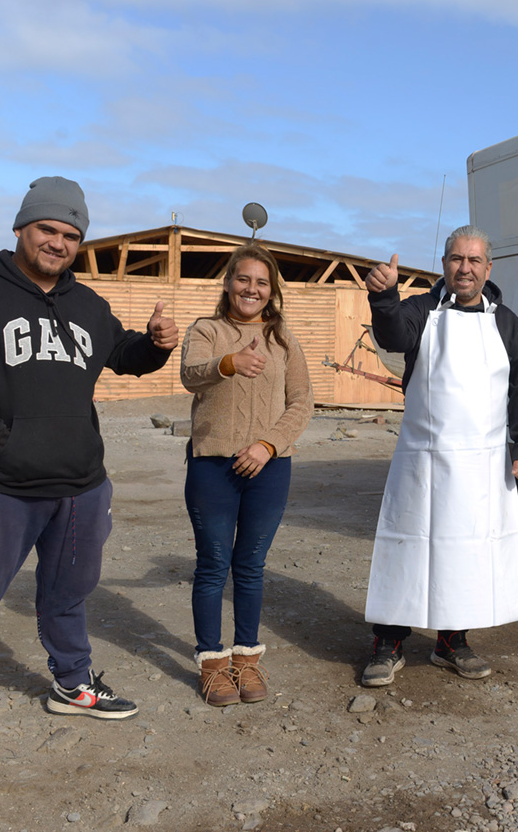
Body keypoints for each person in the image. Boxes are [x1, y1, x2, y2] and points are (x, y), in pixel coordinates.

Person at [0, 177, 179, 774]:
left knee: (68, 595)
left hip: (80, 487)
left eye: (70, 235)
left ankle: (72, 684)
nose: (57, 243)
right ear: (20, 228)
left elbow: (123, 356)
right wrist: (0, 443)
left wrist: (155, 345)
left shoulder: (88, 304)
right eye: (46, 229)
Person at [358, 225, 518, 686]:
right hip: (423, 462)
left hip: (481, 467)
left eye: (474, 260)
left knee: (465, 553)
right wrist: (385, 298)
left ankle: (451, 641)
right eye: (457, 259)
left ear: (488, 268)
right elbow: (394, 336)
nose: (465, 268)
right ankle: (389, 641)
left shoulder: (508, 324)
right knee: (408, 548)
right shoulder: (421, 310)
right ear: (444, 264)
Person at [180, 244, 313, 706]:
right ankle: (212, 665)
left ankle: (247, 660)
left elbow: (302, 402)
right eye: (243, 279)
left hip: (269, 467)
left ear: (271, 290)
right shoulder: (206, 329)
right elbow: (190, 375)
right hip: (212, 466)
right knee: (213, 565)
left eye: (261, 282)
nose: (251, 289)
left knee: (251, 566)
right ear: (228, 282)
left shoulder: (283, 339)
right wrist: (229, 363)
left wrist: (267, 445)